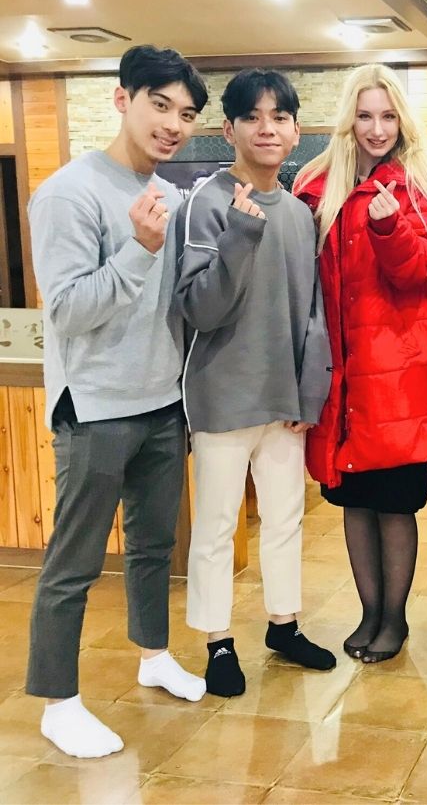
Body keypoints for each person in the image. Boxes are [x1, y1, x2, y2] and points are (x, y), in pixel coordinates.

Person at [25, 45, 209, 759]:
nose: (172, 124)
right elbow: (67, 312)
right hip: (95, 408)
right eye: (159, 105)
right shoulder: (69, 193)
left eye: (186, 114)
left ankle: (154, 654)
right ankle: (57, 701)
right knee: (73, 563)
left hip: (162, 403)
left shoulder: (168, 193)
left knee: (154, 547)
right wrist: (137, 248)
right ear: (122, 100)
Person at [174, 69, 335, 697]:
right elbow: (201, 308)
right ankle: (217, 642)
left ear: (295, 131)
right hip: (220, 397)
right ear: (229, 129)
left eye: (280, 117)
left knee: (286, 519)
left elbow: (312, 312)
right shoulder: (206, 204)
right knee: (216, 526)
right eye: (253, 117)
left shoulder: (298, 214)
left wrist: (309, 393)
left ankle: (283, 624)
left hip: (283, 400)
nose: (267, 128)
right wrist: (239, 235)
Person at [293, 64, 427, 663]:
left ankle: (395, 620)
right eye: (365, 115)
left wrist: (388, 226)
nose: (377, 127)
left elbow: (415, 274)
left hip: (401, 376)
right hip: (341, 372)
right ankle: (367, 614)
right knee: (353, 498)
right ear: (349, 119)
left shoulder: (420, 184)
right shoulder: (317, 184)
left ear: (402, 120)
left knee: (394, 502)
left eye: (387, 115)